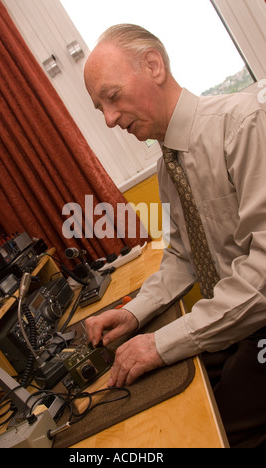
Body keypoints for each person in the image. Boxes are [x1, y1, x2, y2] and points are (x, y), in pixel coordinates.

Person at [83, 24, 266, 448]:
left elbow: (262, 276)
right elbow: (183, 254)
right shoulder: (170, 164)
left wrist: (159, 343)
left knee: (207, 431)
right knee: (166, 389)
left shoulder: (243, 126)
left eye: (112, 97)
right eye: (100, 109)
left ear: (154, 65)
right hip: (242, 317)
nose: (110, 119)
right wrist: (135, 312)